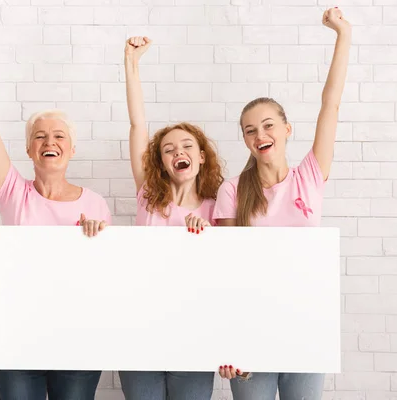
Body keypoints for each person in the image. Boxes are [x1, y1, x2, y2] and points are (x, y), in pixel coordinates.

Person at [0, 26, 110, 400]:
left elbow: (105, 276)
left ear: (71, 150)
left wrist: (97, 240)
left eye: (59, 136)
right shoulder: (14, 193)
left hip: (77, 341)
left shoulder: (95, 204)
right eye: (40, 136)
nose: (49, 141)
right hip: (20, 338)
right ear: (29, 149)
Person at [213, 7, 351, 400]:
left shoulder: (309, 175)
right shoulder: (232, 191)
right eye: (250, 131)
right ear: (245, 141)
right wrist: (228, 343)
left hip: (306, 323)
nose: (260, 135)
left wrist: (342, 35)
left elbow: (332, 104)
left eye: (268, 125)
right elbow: (225, 271)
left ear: (287, 130)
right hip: (252, 329)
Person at [118, 36, 224, 400]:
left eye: (186, 146)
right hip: (141, 333)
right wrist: (132, 65)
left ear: (201, 157)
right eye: (168, 149)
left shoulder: (217, 207)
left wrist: (208, 234)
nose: (178, 152)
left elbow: (229, 272)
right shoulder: (148, 197)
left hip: (193, 335)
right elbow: (137, 127)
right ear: (161, 162)